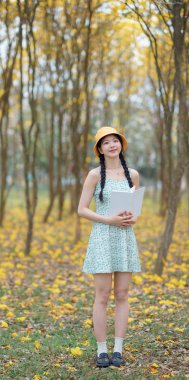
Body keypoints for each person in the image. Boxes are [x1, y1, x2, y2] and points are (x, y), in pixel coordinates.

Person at [77, 126, 141, 368]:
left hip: (125, 238)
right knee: (102, 296)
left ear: (121, 145)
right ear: (100, 150)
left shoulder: (132, 175)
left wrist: (131, 218)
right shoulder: (94, 175)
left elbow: (134, 210)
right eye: (106, 143)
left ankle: (118, 349)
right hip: (103, 237)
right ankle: (101, 349)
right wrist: (109, 219)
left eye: (116, 140)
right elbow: (81, 209)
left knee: (122, 295)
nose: (112, 145)